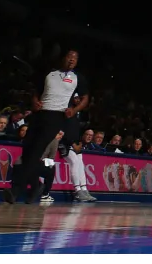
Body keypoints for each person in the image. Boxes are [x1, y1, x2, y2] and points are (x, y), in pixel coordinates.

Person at [8, 50, 93, 204]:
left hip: (56, 116)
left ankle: (16, 191)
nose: (72, 60)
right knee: (27, 152)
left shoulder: (77, 78)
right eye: (69, 57)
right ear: (63, 58)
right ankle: (36, 186)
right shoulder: (49, 73)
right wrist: (35, 101)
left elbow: (85, 98)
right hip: (39, 114)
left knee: (36, 152)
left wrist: (74, 110)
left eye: (75, 58)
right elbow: (36, 91)